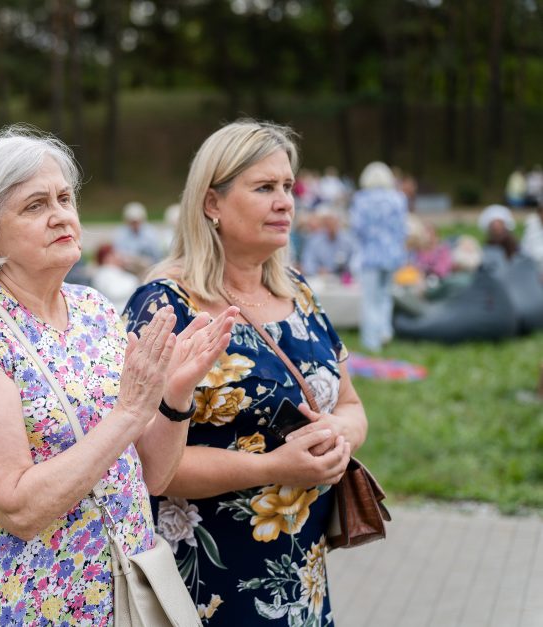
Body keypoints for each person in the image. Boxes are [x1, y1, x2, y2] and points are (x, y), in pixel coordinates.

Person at [0, 126, 237, 624]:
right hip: (28, 605)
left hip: (120, 595)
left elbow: (150, 477)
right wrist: (131, 411)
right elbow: (18, 507)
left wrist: (174, 395)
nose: (61, 215)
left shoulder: (92, 309)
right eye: (34, 206)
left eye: (65, 198)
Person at [124, 119, 360, 626]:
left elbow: (351, 405)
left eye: (288, 187)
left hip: (303, 577)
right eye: (264, 188)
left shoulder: (298, 292)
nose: (285, 202)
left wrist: (337, 436)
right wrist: (276, 467)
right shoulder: (164, 307)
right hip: (209, 585)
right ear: (212, 203)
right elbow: (144, 464)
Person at [349, 161, 409, 352]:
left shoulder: (361, 199)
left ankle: (371, 340)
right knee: (385, 295)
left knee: (370, 299)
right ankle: (384, 330)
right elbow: (402, 228)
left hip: (370, 255)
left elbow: (357, 228)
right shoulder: (398, 198)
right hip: (392, 254)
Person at [298, 209, 354, 278]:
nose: (331, 226)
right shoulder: (315, 240)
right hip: (320, 279)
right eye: (328, 224)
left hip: (342, 278)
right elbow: (307, 262)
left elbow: (356, 258)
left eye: (333, 223)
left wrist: (349, 270)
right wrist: (317, 270)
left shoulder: (348, 240)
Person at [113, 201, 163, 275]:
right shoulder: (120, 233)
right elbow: (118, 253)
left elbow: (156, 255)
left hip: (147, 267)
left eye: (137, 221)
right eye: (132, 222)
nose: (134, 224)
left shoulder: (150, 233)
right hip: (127, 267)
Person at [91, 242, 140, 313]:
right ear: (107, 257)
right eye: (114, 253)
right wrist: (134, 282)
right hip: (117, 313)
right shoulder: (104, 272)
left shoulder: (114, 271)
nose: (119, 256)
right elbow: (114, 292)